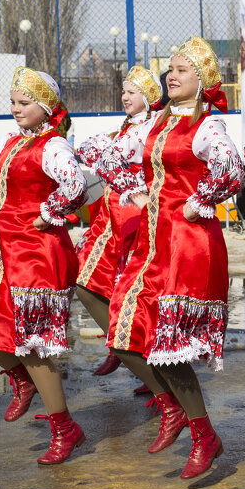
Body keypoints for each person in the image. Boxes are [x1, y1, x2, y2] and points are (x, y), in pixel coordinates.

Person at [105, 36, 245, 478]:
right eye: (171, 69)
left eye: (183, 70)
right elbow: (112, 155)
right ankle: (171, 408)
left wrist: (198, 202)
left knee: (172, 348)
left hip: (188, 246)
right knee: (123, 333)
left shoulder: (208, 126)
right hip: (152, 243)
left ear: (202, 81)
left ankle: (203, 433)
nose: (172, 75)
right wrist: (133, 188)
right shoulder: (156, 124)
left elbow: (233, 171)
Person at [0, 67, 87, 463]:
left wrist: (47, 214)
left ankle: (64, 429)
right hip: (1, 251)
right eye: (13, 102)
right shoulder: (12, 142)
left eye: (24, 102)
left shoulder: (53, 146)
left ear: (46, 107)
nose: (16, 109)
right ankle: (23, 381)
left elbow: (76, 186)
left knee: (34, 346)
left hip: (37, 253)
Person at [73, 66, 159, 381]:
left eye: (132, 92)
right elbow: (85, 149)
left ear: (148, 98)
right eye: (123, 91)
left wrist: (106, 148)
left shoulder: (150, 129)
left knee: (134, 295)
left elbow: (111, 158)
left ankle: (142, 363)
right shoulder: (126, 128)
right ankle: (122, 347)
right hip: (107, 219)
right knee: (89, 283)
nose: (125, 97)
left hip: (131, 219)